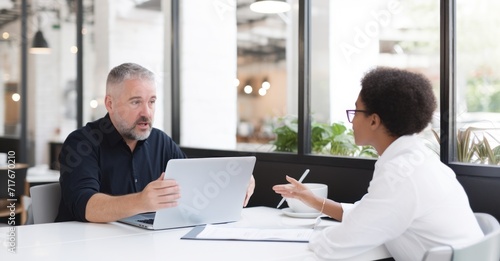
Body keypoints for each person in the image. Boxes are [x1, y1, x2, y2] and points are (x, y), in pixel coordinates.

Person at [273, 67, 483, 261]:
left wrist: (306, 238)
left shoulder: (401, 174)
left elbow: (338, 244)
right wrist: (313, 200)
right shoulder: (417, 159)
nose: (352, 120)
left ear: (374, 120)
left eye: (356, 111)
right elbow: (368, 215)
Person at [56, 62, 255, 223]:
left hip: (140, 245)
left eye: (151, 101)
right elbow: (86, 206)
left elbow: (193, 186)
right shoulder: (81, 143)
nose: (147, 113)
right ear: (110, 104)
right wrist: (142, 201)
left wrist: (235, 181)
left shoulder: (160, 141)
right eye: (136, 102)